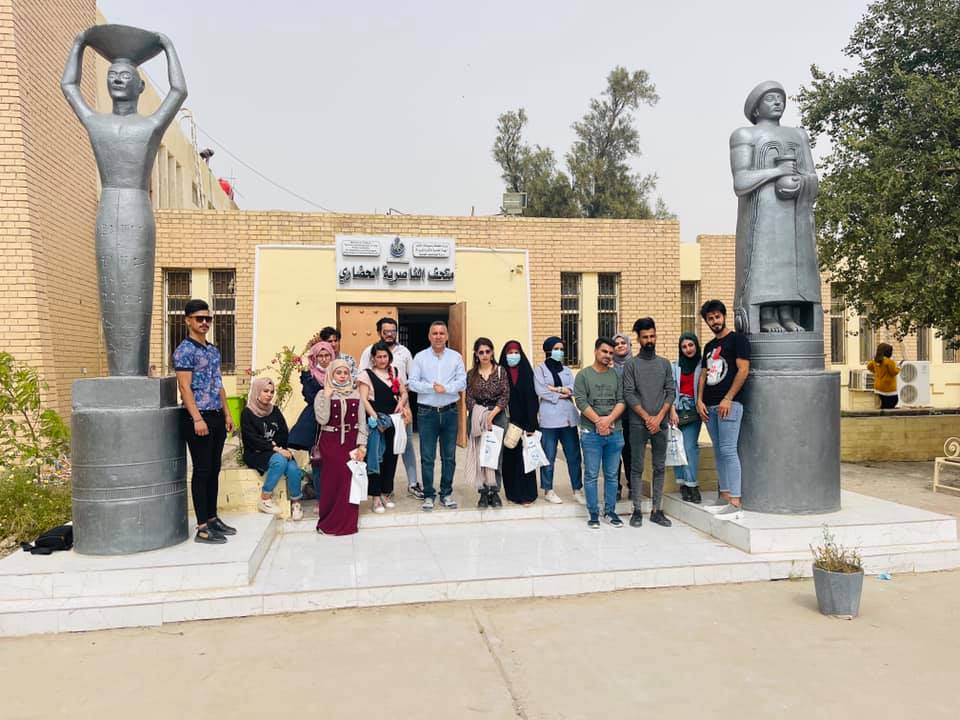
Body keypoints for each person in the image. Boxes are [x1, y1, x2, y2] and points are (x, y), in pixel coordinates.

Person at [173, 299, 236, 544]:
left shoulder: (212, 350)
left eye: (208, 318)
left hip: (216, 414)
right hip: (197, 416)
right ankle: (202, 527)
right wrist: (197, 418)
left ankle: (212, 517)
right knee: (202, 471)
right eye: (199, 318)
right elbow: (184, 387)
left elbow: (218, 384)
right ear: (188, 320)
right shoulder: (185, 350)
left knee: (214, 469)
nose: (204, 323)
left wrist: (227, 413)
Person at [697, 299, 751, 517]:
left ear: (724, 316)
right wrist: (699, 400)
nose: (714, 321)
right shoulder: (709, 346)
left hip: (730, 405)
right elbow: (704, 374)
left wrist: (728, 398)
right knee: (719, 451)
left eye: (717, 317)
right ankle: (725, 496)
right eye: (710, 319)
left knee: (728, 450)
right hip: (709, 406)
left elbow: (743, 370)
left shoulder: (738, 340)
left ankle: (736, 502)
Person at [358, 317, 421, 498]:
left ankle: (412, 483)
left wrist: (402, 401)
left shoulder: (404, 352)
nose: (390, 334)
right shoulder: (369, 351)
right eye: (386, 331)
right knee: (378, 449)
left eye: (393, 331)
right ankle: (381, 490)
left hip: (400, 408)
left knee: (404, 444)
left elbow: (411, 378)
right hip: (376, 409)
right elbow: (364, 378)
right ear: (379, 332)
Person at [623, 318, 675, 528]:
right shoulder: (631, 364)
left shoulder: (664, 364)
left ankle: (657, 510)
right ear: (638, 339)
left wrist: (659, 417)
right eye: (645, 337)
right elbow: (629, 393)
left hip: (660, 423)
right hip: (638, 424)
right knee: (636, 467)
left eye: (652, 336)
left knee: (659, 467)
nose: (649, 340)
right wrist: (647, 418)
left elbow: (670, 391)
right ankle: (637, 510)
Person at [409, 321, 466, 511]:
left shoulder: (456, 357)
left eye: (442, 333)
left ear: (447, 336)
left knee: (449, 456)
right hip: (427, 413)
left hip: (450, 412)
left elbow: (462, 382)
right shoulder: (420, 357)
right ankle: (428, 495)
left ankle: (446, 494)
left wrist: (446, 388)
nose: (438, 336)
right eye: (435, 333)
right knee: (427, 457)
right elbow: (412, 383)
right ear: (429, 336)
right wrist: (432, 387)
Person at [574, 338, 626, 529]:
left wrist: (608, 420)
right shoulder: (583, 375)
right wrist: (598, 421)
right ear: (596, 351)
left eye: (611, 353)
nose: (608, 356)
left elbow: (622, 401)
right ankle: (593, 513)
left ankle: (610, 512)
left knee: (612, 475)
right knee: (591, 475)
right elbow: (581, 401)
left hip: (615, 432)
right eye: (604, 352)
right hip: (591, 434)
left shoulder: (616, 375)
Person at [315, 359, 368, 535]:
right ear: (331, 374)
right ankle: (328, 523)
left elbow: (362, 422)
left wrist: (362, 445)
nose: (343, 376)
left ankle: (348, 524)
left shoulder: (356, 394)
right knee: (331, 482)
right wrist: (327, 396)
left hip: (351, 443)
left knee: (350, 482)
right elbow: (322, 419)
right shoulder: (322, 393)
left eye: (345, 373)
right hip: (330, 442)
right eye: (338, 372)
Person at [240, 377, 303, 521]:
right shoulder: (248, 413)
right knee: (279, 462)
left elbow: (283, 433)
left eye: (271, 392)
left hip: (276, 450)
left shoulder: (274, 411)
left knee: (293, 469)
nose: (269, 395)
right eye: (265, 391)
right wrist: (274, 447)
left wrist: (277, 447)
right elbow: (251, 439)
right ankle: (265, 498)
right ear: (257, 392)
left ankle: (296, 503)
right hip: (256, 452)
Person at [358, 342, 409, 513]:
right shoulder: (366, 375)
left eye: (385, 356)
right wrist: (375, 417)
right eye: (378, 356)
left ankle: (386, 493)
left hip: (393, 421)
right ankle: (375, 497)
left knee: (390, 457)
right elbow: (364, 399)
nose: (382, 359)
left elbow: (404, 392)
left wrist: (401, 403)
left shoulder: (394, 372)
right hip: (376, 423)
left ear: (389, 357)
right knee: (375, 458)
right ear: (373, 358)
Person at [534, 336, 584, 504]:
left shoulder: (567, 370)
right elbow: (541, 391)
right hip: (549, 420)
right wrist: (562, 393)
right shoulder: (540, 370)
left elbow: (573, 389)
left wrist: (557, 389)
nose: (560, 352)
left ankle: (577, 489)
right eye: (556, 349)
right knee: (549, 455)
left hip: (568, 418)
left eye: (562, 349)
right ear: (548, 350)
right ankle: (548, 490)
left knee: (574, 455)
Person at [287, 340, 335, 496]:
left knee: (334, 460)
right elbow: (309, 396)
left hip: (335, 418)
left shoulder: (338, 372)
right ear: (314, 357)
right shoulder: (309, 374)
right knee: (318, 459)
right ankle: (321, 497)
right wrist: (325, 396)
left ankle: (333, 495)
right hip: (315, 420)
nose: (324, 359)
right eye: (320, 356)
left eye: (327, 355)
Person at [465, 337, 509, 507]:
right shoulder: (471, 374)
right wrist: (482, 415)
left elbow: (505, 395)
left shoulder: (500, 371)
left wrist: (491, 415)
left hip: (497, 416)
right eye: (481, 352)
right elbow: (469, 398)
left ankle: (495, 492)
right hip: (477, 418)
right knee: (480, 455)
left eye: (487, 351)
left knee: (495, 454)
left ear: (492, 352)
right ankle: (483, 492)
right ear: (476, 354)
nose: (484, 355)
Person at [498, 340, 539, 505]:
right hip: (507, 422)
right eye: (510, 353)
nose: (513, 356)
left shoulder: (527, 372)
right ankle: (513, 493)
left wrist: (531, 424)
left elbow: (532, 399)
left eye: (516, 353)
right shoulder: (500, 372)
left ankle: (528, 494)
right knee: (510, 459)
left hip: (526, 422)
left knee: (526, 459)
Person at [670, 332, 704, 504]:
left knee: (689, 447)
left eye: (691, 345)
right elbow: (669, 390)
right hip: (676, 412)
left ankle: (692, 485)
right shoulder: (675, 366)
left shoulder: (702, 365)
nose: (688, 349)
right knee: (677, 447)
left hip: (694, 411)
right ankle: (683, 484)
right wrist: (671, 411)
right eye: (684, 346)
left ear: (696, 345)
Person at [612, 332, 634, 500]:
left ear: (629, 345)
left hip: (633, 416)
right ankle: (615, 487)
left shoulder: (636, 365)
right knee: (614, 453)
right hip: (615, 417)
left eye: (623, 343)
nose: (620, 345)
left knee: (630, 453)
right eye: (616, 344)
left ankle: (633, 486)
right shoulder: (609, 368)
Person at [867, 343, 901, 410]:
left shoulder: (875, 361)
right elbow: (893, 372)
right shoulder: (889, 362)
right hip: (889, 389)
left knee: (880, 408)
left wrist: (876, 372)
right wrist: (899, 368)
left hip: (878, 388)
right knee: (892, 405)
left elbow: (869, 367)